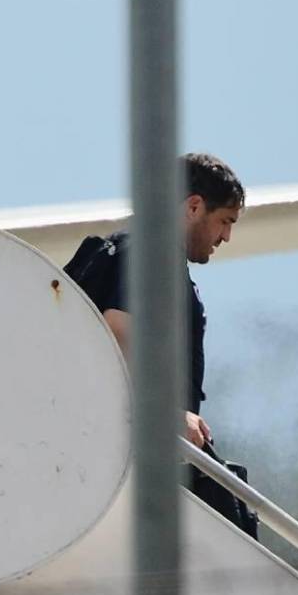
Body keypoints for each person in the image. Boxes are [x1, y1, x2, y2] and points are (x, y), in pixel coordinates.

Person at [64, 152, 244, 449]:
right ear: (194, 206)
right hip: (126, 446)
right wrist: (168, 417)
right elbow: (120, 335)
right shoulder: (153, 253)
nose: (226, 236)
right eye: (225, 221)